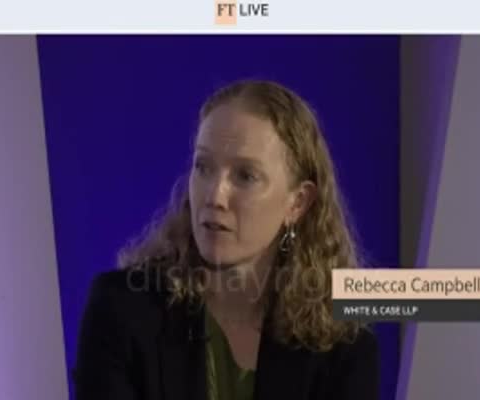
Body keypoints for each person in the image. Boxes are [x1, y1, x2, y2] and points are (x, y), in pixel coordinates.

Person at [74, 80, 380, 400]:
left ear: (298, 203)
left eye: (245, 175)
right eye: (203, 167)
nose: (214, 196)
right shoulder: (121, 309)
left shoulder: (344, 345)